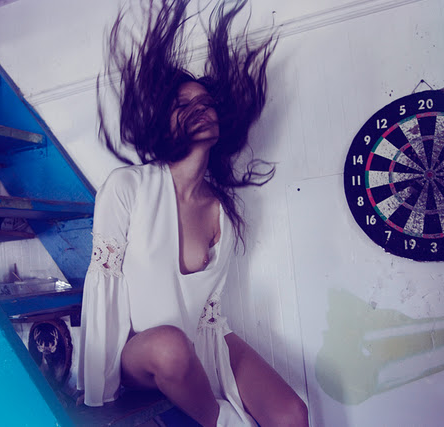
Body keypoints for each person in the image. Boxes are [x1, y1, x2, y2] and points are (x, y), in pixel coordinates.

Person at [77, 0, 309, 425]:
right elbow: (103, 286)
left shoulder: (221, 210)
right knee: (170, 346)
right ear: (160, 122)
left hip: (202, 338)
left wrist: (216, 359)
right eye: (182, 104)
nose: (199, 108)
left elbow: (207, 310)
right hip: (140, 351)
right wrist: (98, 389)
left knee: (292, 413)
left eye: (205, 101)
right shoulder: (127, 186)